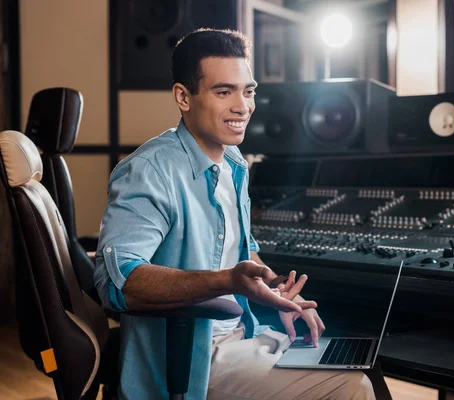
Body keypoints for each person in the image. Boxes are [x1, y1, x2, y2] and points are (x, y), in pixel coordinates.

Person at [94, 28, 376, 399]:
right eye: (224, 91)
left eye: (248, 91)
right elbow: (118, 282)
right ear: (183, 97)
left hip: (246, 334)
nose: (242, 106)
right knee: (351, 388)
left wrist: (276, 290)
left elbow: (242, 253)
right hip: (192, 363)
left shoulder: (233, 162)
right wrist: (226, 280)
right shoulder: (149, 171)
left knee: (361, 364)